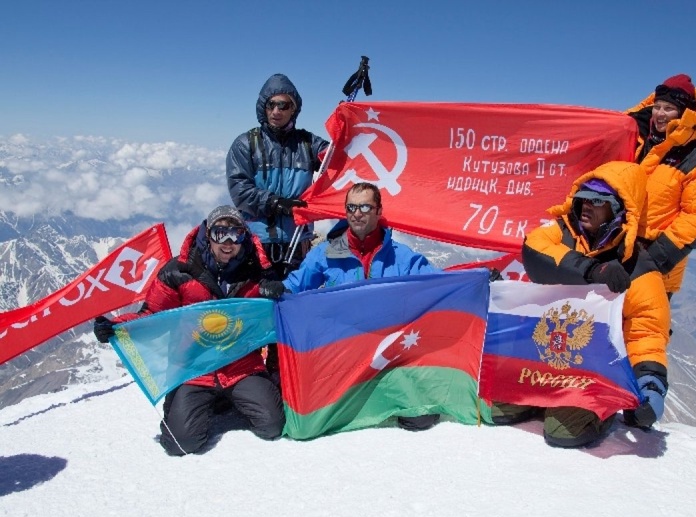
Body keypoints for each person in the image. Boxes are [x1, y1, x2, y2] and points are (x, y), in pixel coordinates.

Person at [93, 206, 287, 456]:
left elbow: (275, 314)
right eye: (220, 233)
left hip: (239, 364)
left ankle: (226, 397)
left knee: (272, 426)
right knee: (180, 444)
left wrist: (277, 291)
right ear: (208, 235)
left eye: (236, 234)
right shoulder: (179, 271)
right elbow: (152, 314)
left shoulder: (257, 272)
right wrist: (116, 327)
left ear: (244, 237)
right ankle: (198, 400)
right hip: (193, 367)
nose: (228, 242)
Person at [511, 161, 671, 448]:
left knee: (564, 431)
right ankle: (540, 399)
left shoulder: (639, 271)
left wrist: (651, 388)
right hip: (540, 358)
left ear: (620, 209)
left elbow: (645, 333)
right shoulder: (561, 233)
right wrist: (592, 271)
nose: (586, 205)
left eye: (598, 201)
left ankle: (602, 412)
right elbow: (535, 250)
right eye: (584, 197)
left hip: (592, 372)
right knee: (497, 411)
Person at [279, 182, 442, 431]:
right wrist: (276, 289)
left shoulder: (400, 256)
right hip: (341, 350)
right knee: (311, 423)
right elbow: (296, 285)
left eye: (365, 207)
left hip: (384, 352)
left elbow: (438, 283)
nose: (357, 213)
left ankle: (379, 391)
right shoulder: (327, 253)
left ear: (379, 211)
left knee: (420, 417)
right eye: (351, 207)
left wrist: (478, 277)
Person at [626, 74, 696, 300]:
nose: (660, 114)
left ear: (684, 113)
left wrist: (651, 261)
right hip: (617, 255)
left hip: (653, 267)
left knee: (644, 322)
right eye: (657, 106)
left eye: (669, 108)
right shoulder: (639, 142)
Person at [227, 73, 330, 279]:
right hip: (256, 246)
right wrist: (276, 203)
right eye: (271, 104)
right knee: (257, 297)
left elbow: (337, 158)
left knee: (295, 297)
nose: (276, 111)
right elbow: (239, 190)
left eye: (283, 105)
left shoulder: (308, 143)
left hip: (298, 242)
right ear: (263, 107)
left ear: (293, 109)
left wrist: (346, 120)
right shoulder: (246, 144)